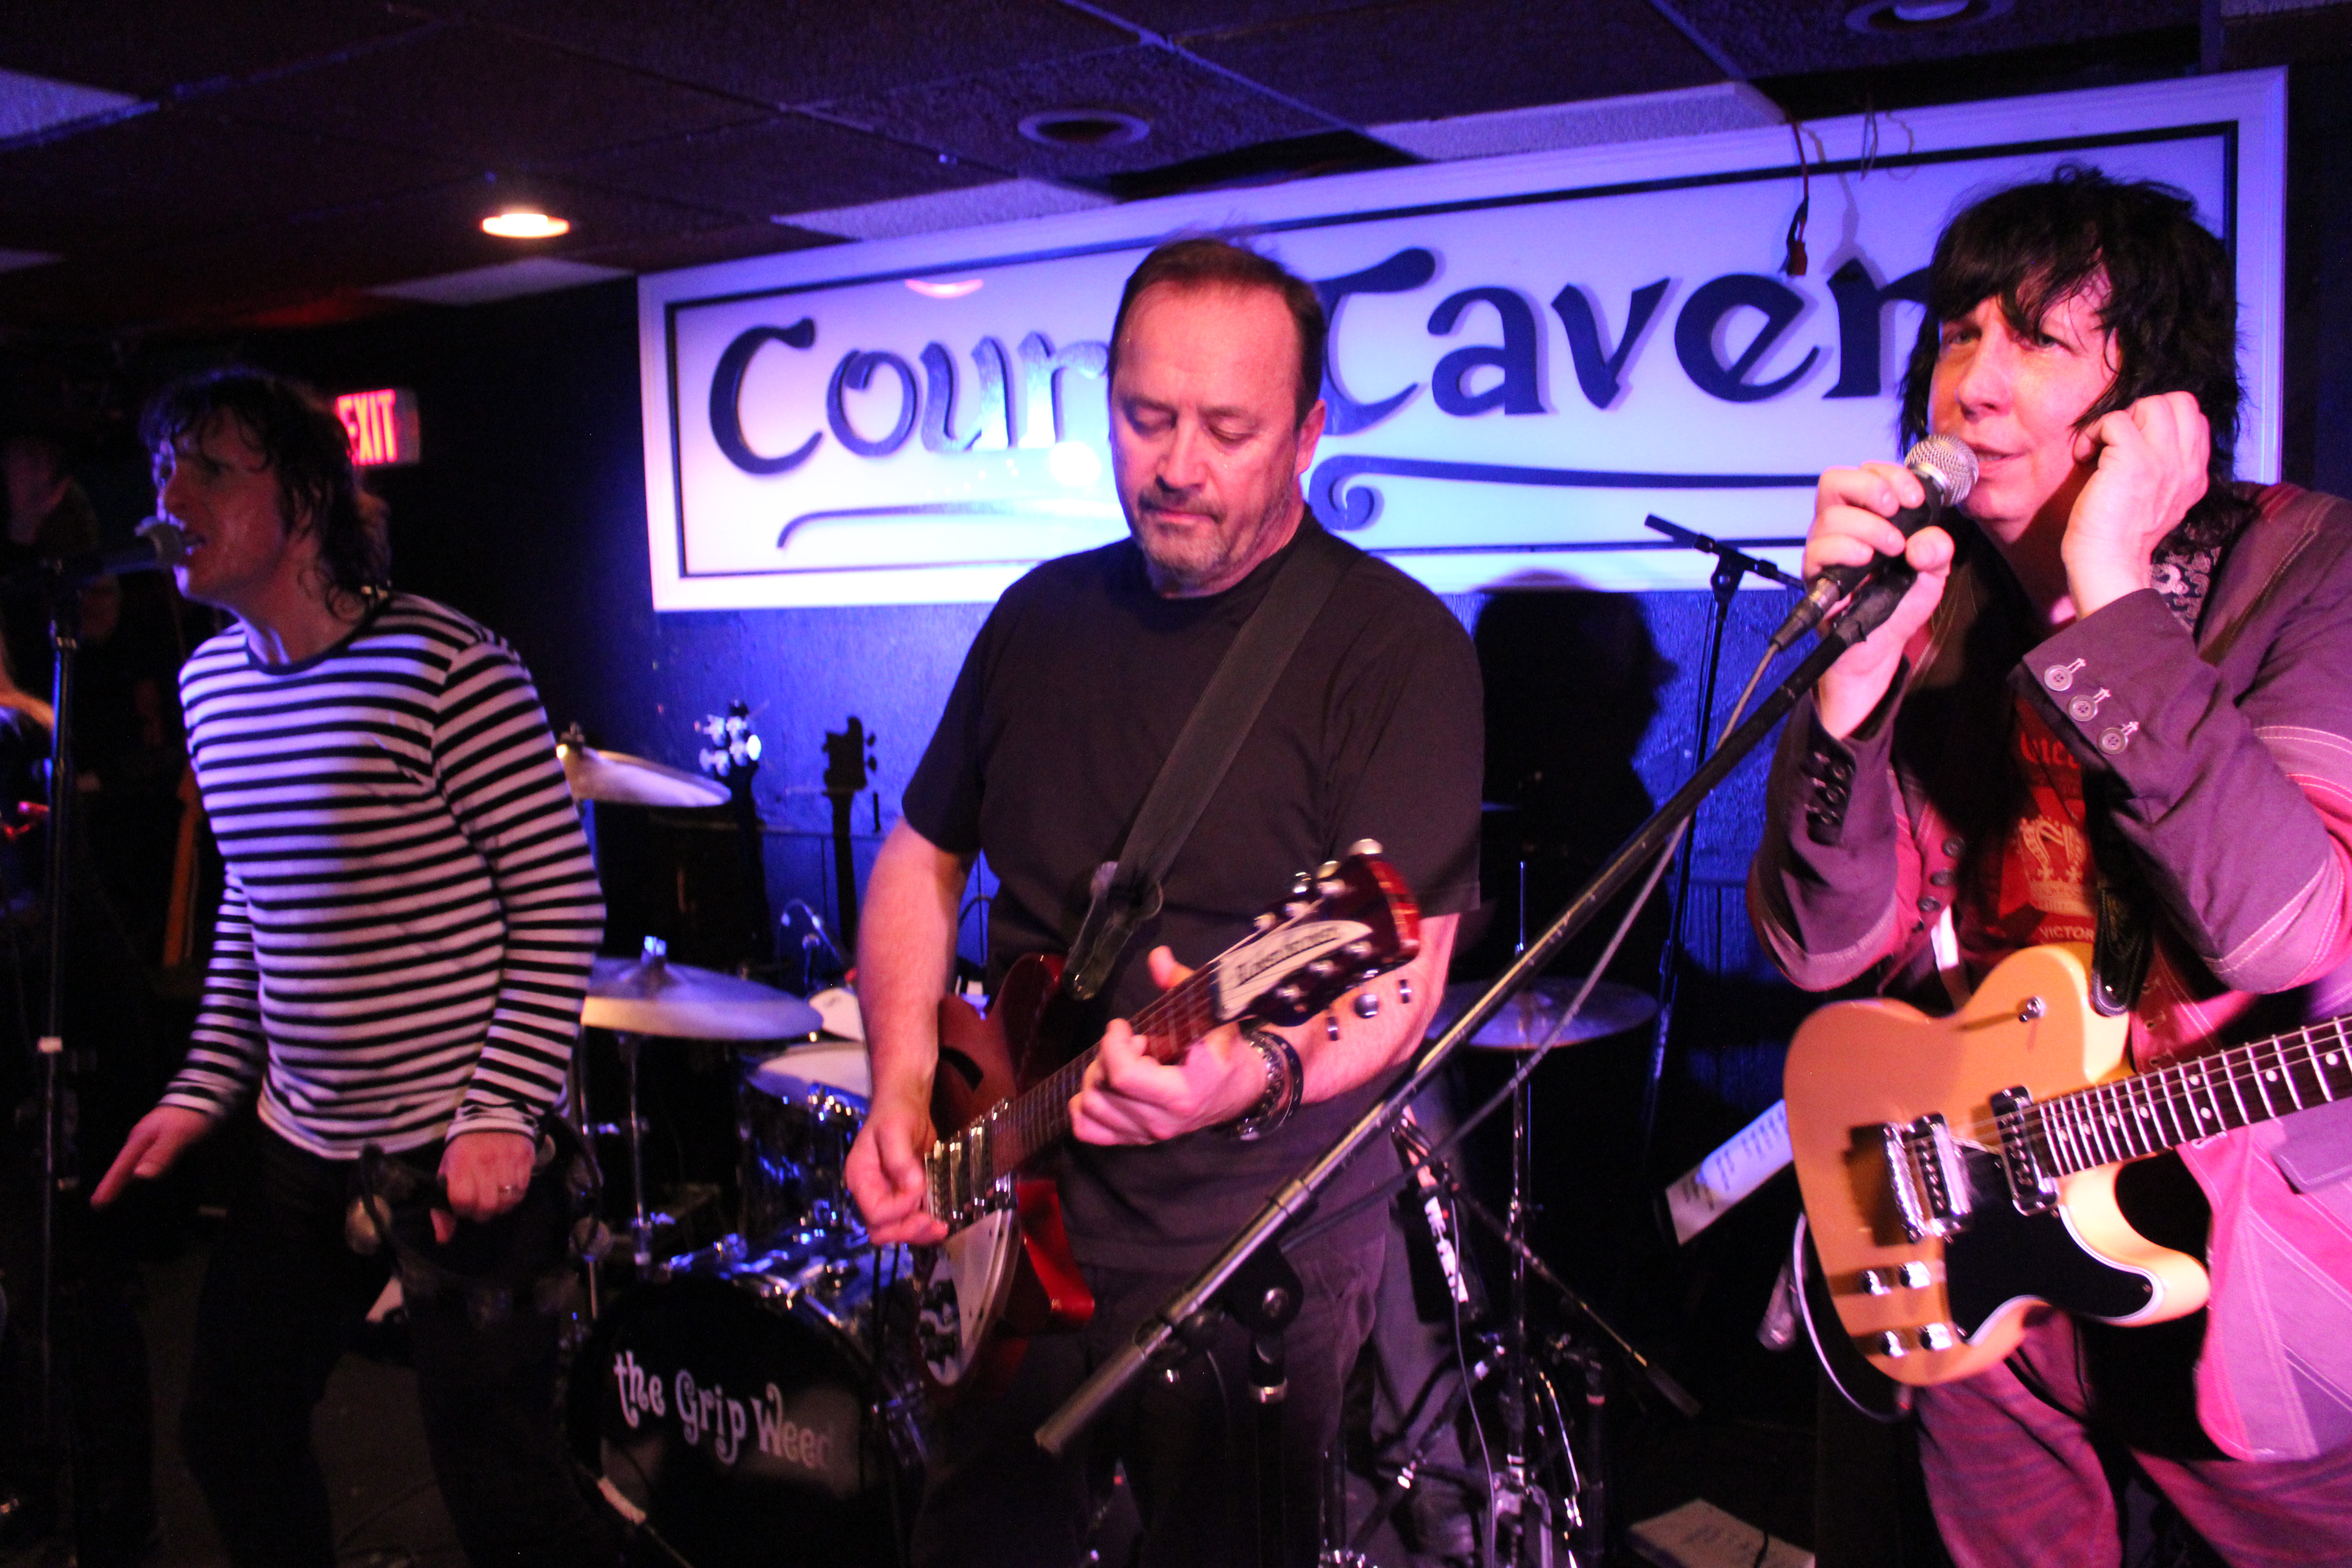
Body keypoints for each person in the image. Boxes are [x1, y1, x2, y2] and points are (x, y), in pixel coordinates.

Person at [844, 237, 1484, 1567]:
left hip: (1249, 1246)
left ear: (1308, 434)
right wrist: (902, 1083)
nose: (1177, 464)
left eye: (1228, 430)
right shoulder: (1038, 616)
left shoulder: (1394, 648)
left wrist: (1253, 1072)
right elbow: (920, 854)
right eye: (1146, 418)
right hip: (1012, 1205)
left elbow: (1401, 973)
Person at [1748, 167, 2352, 1565]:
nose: (1972, 385)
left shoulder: (2309, 571)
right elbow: (1824, 948)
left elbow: (2280, 933)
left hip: (2250, 1255)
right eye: (1959, 334)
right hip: (1985, 1244)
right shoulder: (1930, 610)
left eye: (2036, 339)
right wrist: (1848, 692)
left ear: (2157, 398)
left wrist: (2115, 595)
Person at [90, 369, 617, 1568]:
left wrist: (501, 1111)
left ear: (307, 500)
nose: (170, 500)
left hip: (455, 1144)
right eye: (166, 471)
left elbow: (560, 903)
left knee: (503, 1493)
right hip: (303, 1145)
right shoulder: (209, 685)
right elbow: (252, 908)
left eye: (210, 470)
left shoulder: (449, 668)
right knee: (229, 1427)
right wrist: (204, 1084)